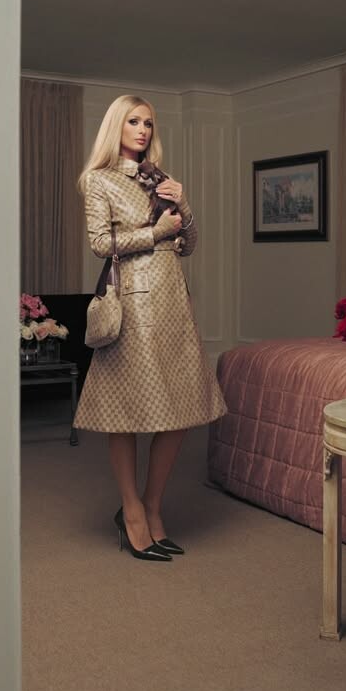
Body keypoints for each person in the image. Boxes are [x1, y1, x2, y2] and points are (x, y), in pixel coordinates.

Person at [73, 94, 227, 562]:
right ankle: (132, 510)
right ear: (116, 127)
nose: (142, 130)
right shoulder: (99, 180)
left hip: (173, 301)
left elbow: (189, 244)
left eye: (148, 123)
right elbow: (100, 244)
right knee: (127, 412)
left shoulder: (160, 179)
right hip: (134, 305)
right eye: (134, 122)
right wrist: (157, 232)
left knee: (180, 408)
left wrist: (185, 205)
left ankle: (153, 505)